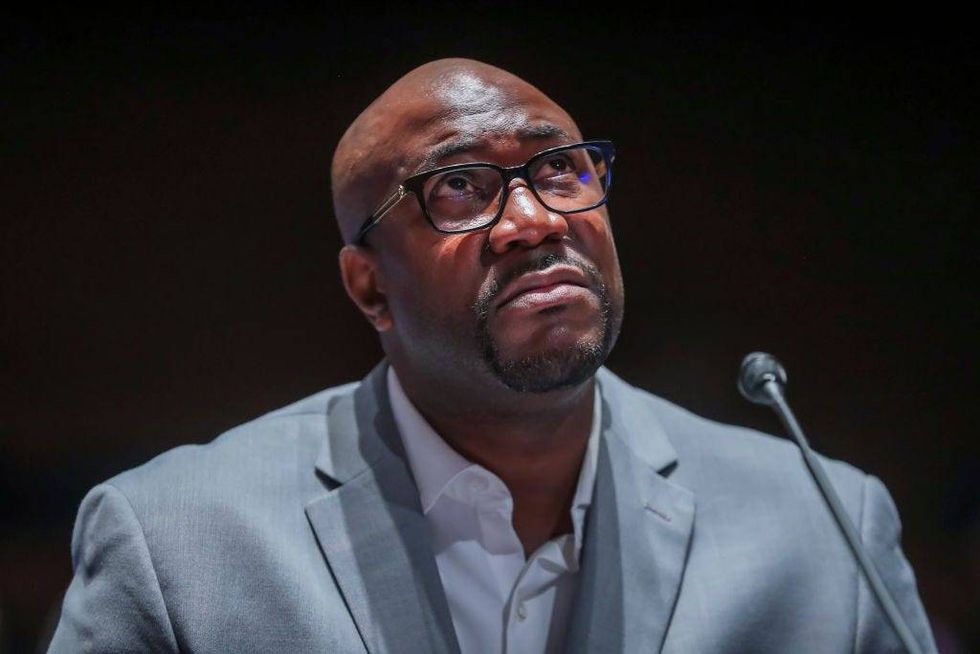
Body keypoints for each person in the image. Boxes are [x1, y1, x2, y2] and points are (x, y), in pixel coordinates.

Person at [48, 59, 936, 653]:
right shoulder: (177, 544)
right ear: (368, 289)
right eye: (460, 187)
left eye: (560, 171)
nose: (536, 220)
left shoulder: (822, 532)